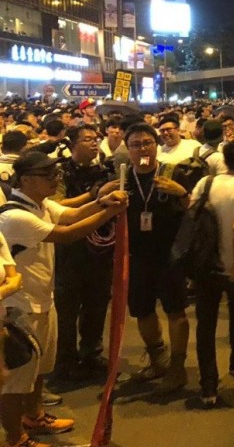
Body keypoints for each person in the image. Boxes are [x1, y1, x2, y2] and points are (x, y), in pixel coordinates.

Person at [0, 152, 127, 447]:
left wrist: (100, 202)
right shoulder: (16, 216)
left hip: (41, 298)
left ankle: (34, 416)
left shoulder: (38, 204)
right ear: (27, 179)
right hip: (19, 307)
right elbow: (67, 233)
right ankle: (15, 438)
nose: (55, 181)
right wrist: (109, 212)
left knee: (40, 368)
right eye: (48, 176)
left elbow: (68, 212)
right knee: (17, 382)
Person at [114, 123, 192, 394]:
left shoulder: (175, 172)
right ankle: (158, 359)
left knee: (175, 311)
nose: (142, 148)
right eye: (135, 144)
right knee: (142, 310)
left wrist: (181, 192)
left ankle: (178, 366)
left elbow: (196, 210)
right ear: (128, 149)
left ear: (157, 145)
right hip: (136, 256)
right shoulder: (122, 178)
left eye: (147, 142)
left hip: (169, 255)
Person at [190, 140, 234, 406]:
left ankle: (208, 388)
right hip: (232, 264)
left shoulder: (204, 184)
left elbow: (192, 214)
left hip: (205, 263)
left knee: (205, 324)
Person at [52, 125, 115, 382]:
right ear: (72, 144)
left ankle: (91, 352)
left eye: (95, 139)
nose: (93, 143)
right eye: (87, 139)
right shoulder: (59, 171)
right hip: (69, 249)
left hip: (100, 248)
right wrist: (94, 196)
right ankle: (66, 359)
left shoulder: (106, 171)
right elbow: (55, 205)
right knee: (66, 307)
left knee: (97, 303)